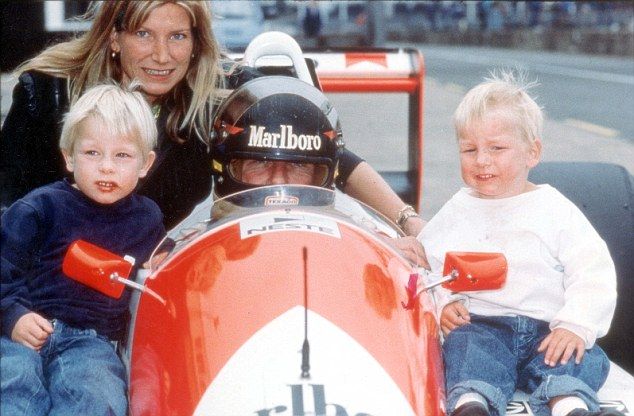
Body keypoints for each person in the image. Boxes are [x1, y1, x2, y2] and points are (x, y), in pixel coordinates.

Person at [0, 0, 424, 238]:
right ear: (114, 37)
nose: (162, 56)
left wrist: (409, 224)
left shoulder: (223, 92)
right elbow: (8, 209)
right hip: (52, 286)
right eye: (144, 34)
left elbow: (329, 151)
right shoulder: (48, 91)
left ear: (196, 41)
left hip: (155, 273)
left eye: (177, 36)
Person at [418, 71, 620, 416]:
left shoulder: (555, 209)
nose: (482, 160)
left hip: (548, 330)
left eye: (497, 148)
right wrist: (444, 304)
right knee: (464, 348)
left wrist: (575, 324)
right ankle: (472, 404)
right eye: (470, 149)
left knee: (581, 357)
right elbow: (427, 266)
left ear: (532, 152)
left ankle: (569, 405)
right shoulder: (458, 209)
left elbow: (592, 270)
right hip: (484, 326)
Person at [0, 83, 165, 416]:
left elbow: (164, 261)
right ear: (69, 157)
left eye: (122, 155)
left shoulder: (147, 219)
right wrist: (12, 316)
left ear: (145, 163)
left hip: (91, 341)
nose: (106, 167)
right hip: (22, 330)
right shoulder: (39, 208)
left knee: (96, 393)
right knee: (13, 384)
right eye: (92, 153)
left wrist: (167, 261)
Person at [210, 75, 426, 264]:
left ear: (322, 174)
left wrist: (385, 251)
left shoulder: (363, 231)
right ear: (229, 168)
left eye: (297, 165)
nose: (278, 181)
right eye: (260, 163)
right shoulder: (192, 239)